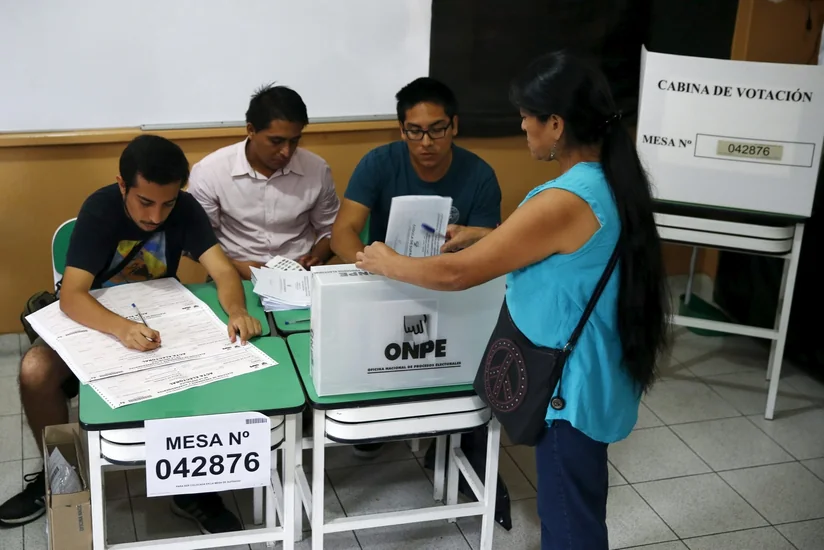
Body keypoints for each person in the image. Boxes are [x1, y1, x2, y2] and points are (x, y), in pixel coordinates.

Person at [354, 51, 668, 549]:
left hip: (568, 385)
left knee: (568, 520)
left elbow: (456, 274)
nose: (521, 125)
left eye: (527, 114)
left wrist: (387, 261)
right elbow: (568, 252)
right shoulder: (608, 178)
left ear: (556, 123)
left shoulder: (564, 198)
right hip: (599, 365)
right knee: (580, 501)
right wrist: (485, 236)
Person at [0, 135, 262, 533]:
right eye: (145, 202)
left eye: (168, 203)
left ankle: (191, 486)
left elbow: (223, 270)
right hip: (100, 314)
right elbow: (71, 296)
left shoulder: (186, 210)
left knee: (211, 355)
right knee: (35, 370)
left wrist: (238, 310)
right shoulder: (100, 209)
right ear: (122, 185)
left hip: (159, 312)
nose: (157, 216)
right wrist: (121, 329)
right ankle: (62, 475)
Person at [330, 77, 502, 458]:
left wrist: (474, 238)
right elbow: (342, 232)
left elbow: (492, 243)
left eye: (437, 130)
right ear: (402, 130)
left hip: (452, 287)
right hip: (384, 285)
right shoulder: (378, 163)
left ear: (454, 125)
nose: (426, 142)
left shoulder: (479, 174)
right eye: (415, 131)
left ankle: (457, 436)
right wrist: (370, 268)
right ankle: (378, 416)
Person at [188, 84, 340, 279]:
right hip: (234, 275)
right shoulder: (211, 172)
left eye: (294, 141)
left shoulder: (317, 169)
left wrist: (316, 258)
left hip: (299, 276)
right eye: (276, 141)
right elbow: (194, 240)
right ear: (251, 130)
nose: (286, 151)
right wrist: (236, 266)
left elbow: (331, 229)